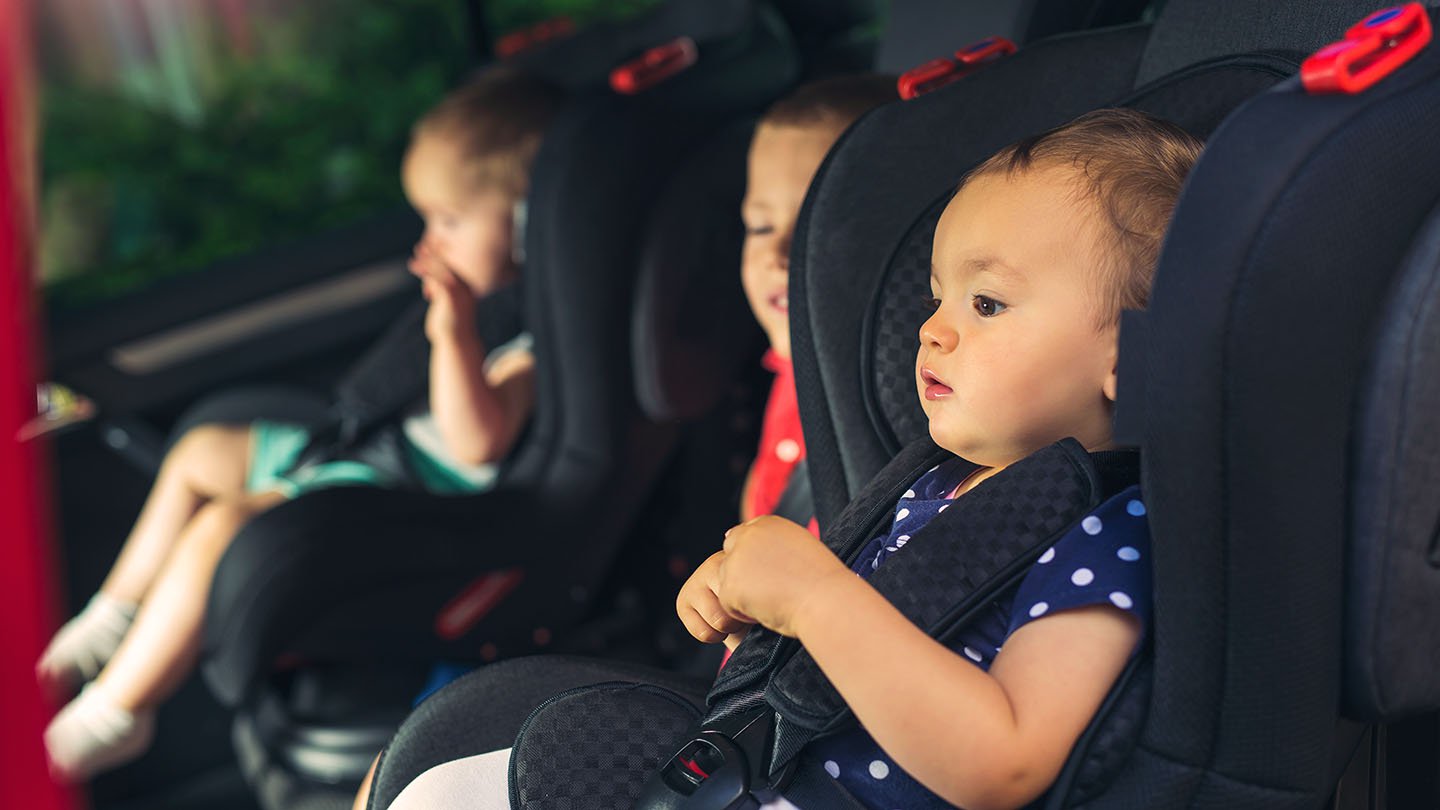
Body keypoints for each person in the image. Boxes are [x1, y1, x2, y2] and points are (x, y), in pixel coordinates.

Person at [377, 107, 1204, 810]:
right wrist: (764, 608)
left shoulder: (1108, 534)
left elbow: (1008, 761)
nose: (932, 328)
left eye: (986, 303)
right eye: (937, 296)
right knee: (434, 774)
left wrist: (814, 598)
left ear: (1127, 357)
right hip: (772, 766)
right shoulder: (936, 482)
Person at [38, 67, 564, 782]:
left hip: (407, 493)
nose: (433, 240)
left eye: (450, 221)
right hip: (364, 448)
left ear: (528, 222)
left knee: (224, 525)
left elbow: (478, 442)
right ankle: (111, 621)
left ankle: (117, 713)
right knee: (200, 452)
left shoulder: (529, 339)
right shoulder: (484, 301)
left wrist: (455, 335)